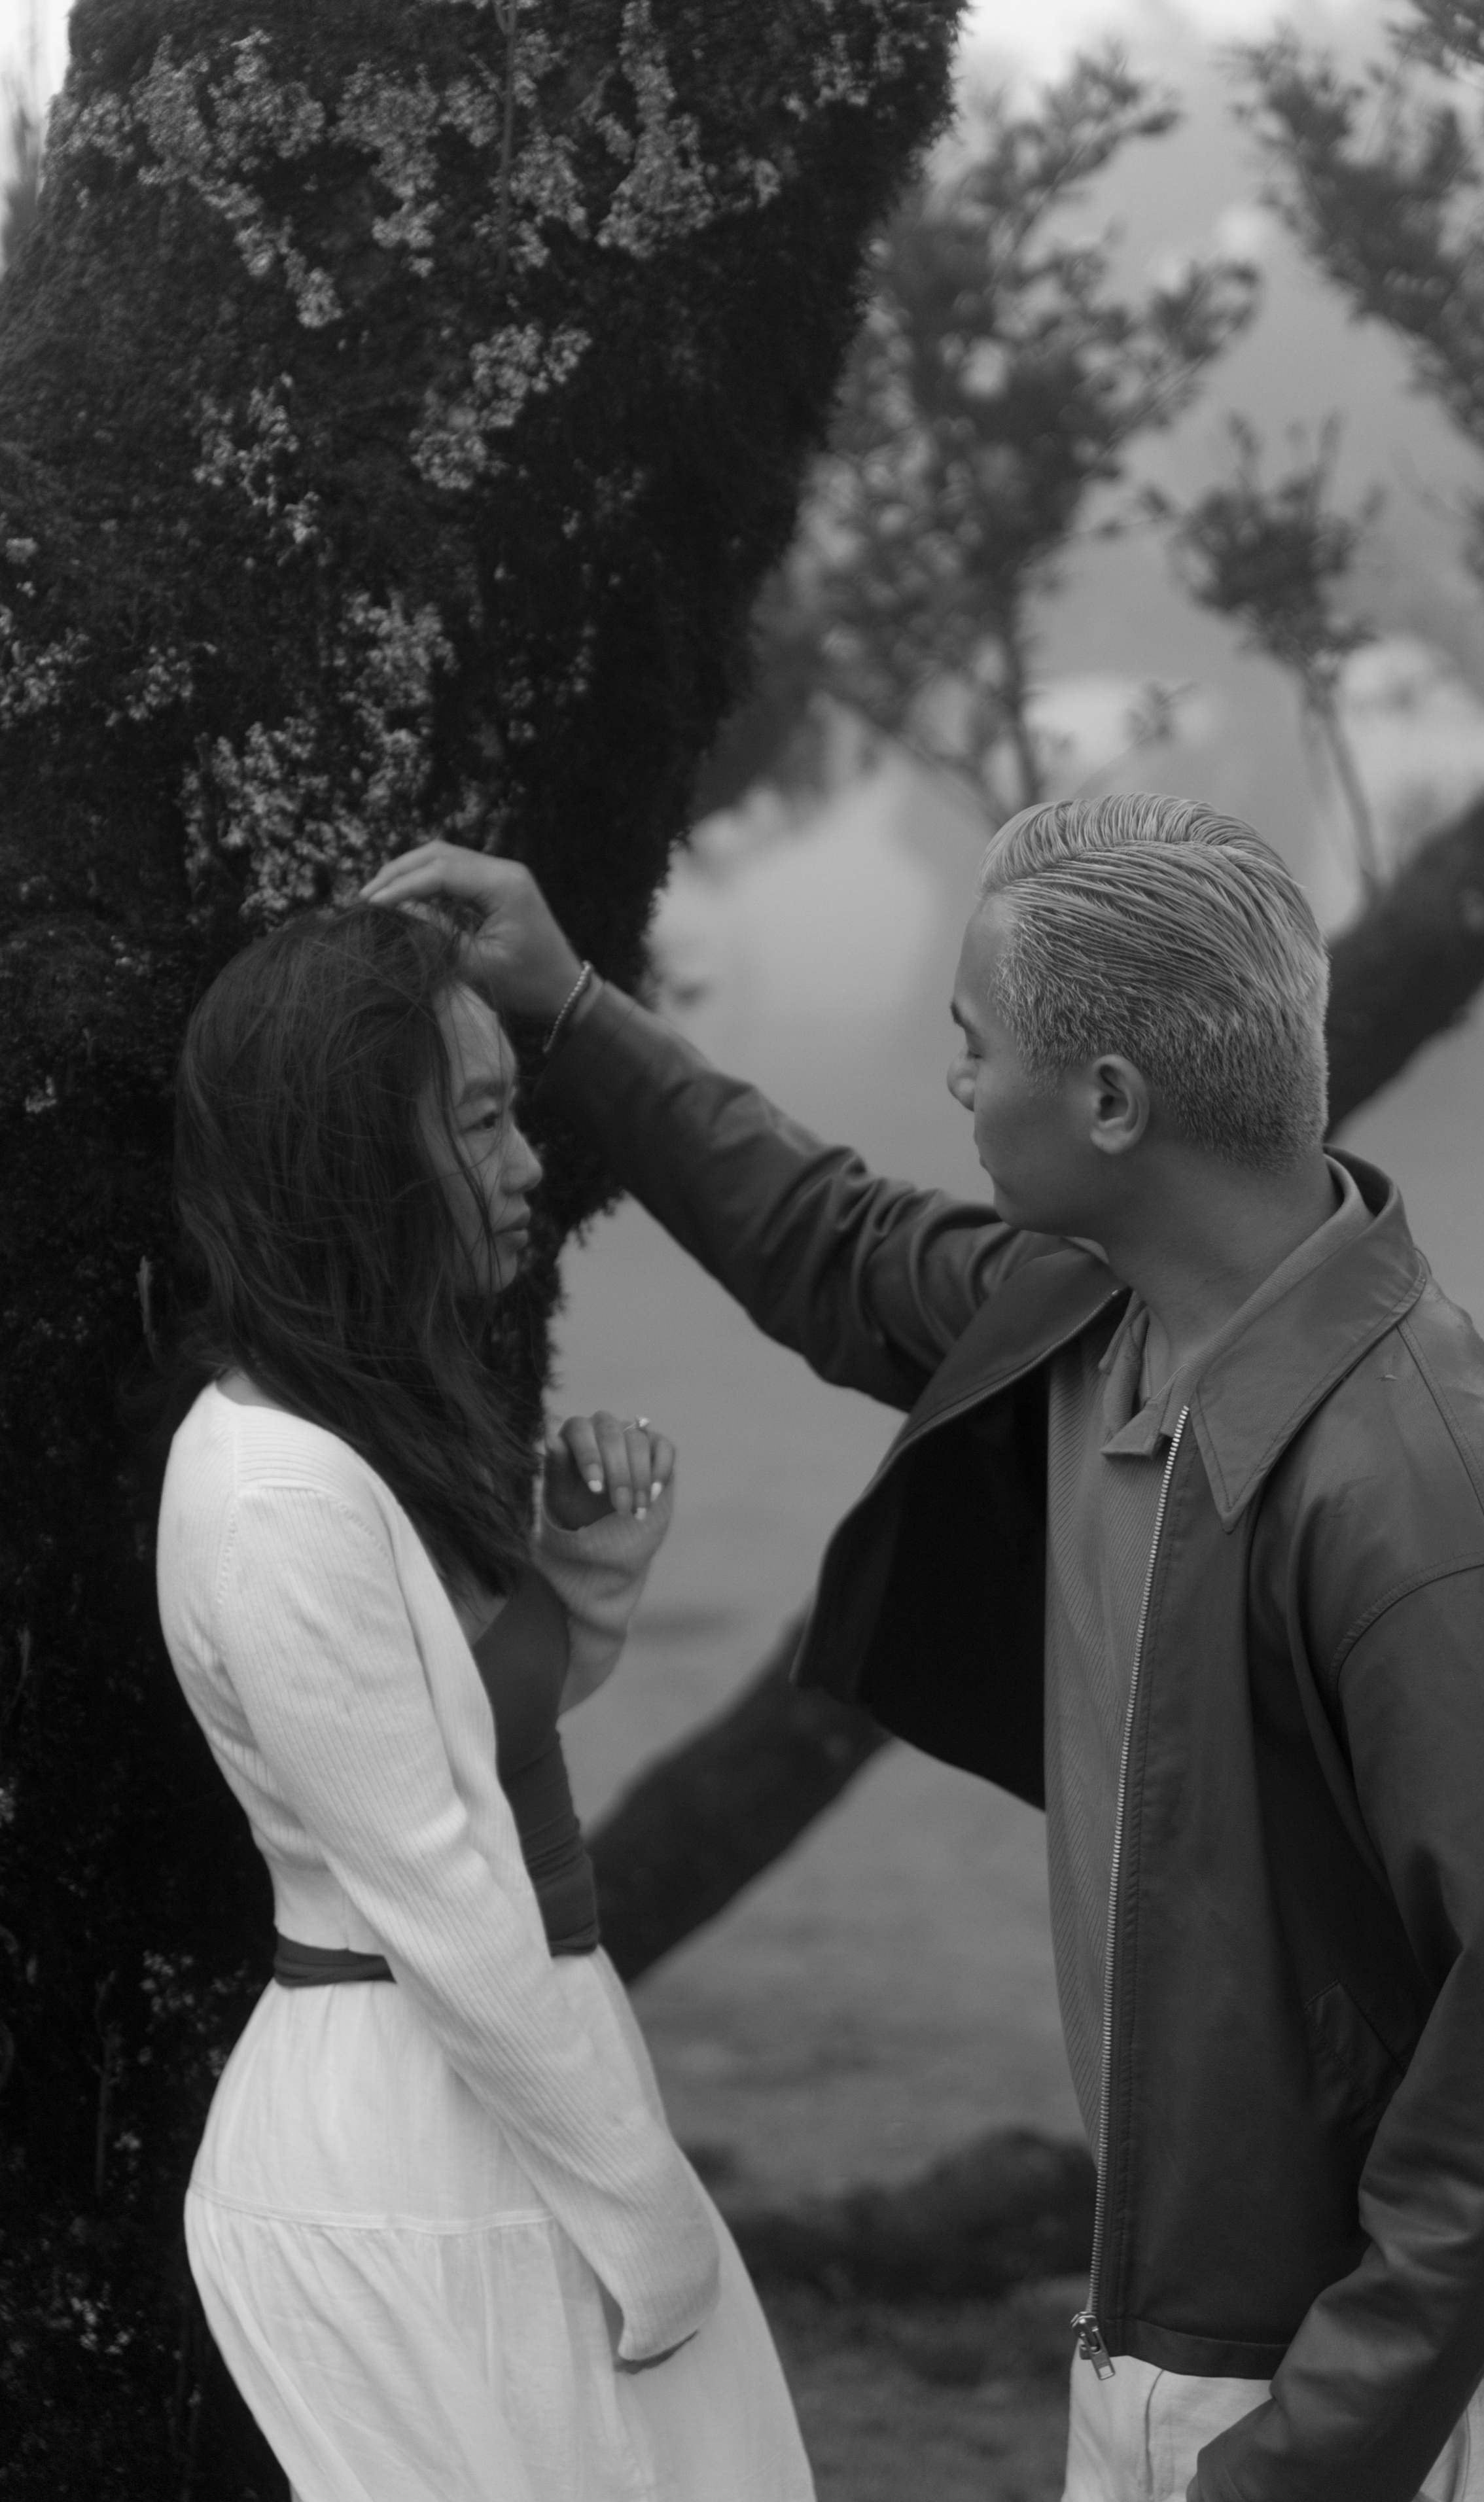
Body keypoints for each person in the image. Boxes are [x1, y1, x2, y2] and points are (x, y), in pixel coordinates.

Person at [366, 795, 1484, 2502]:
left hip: (1383, 2399)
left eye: (976, 1048)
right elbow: (827, 1239)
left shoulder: (1461, 1526)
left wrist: (1300, 2460)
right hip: (1162, 2339)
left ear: (1111, 1104)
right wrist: (573, 1009)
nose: (954, 1080)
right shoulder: (1097, 1316)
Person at [154, 903, 814, 2502]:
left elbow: (458, 1756)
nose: (530, 1164)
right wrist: (649, 2226)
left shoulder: (343, 1438)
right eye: (480, 1120)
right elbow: (442, 1893)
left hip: (494, 2099)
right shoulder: (278, 1498)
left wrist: (578, 1585)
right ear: (348, 1161)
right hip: (419, 2139)